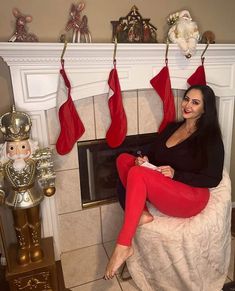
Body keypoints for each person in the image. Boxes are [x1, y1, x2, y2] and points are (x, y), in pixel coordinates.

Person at [104, 84, 224, 279]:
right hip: (169, 187)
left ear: (205, 108)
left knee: (136, 174)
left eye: (195, 102)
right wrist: (144, 159)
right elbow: (153, 152)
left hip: (191, 196)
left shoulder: (209, 138)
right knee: (124, 160)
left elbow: (214, 178)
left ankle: (123, 245)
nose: (187, 105)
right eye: (186, 99)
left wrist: (177, 174)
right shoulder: (172, 128)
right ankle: (141, 213)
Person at [0, 107, 56, 266]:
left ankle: (36, 245)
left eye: (22, 147)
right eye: (12, 148)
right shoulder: (5, 165)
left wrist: (48, 185)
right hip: (14, 197)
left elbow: (45, 171)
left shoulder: (35, 160)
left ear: (30, 147)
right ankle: (24, 247)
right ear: (6, 150)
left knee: (35, 220)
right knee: (19, 223)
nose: (18, 152)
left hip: (33, 194)